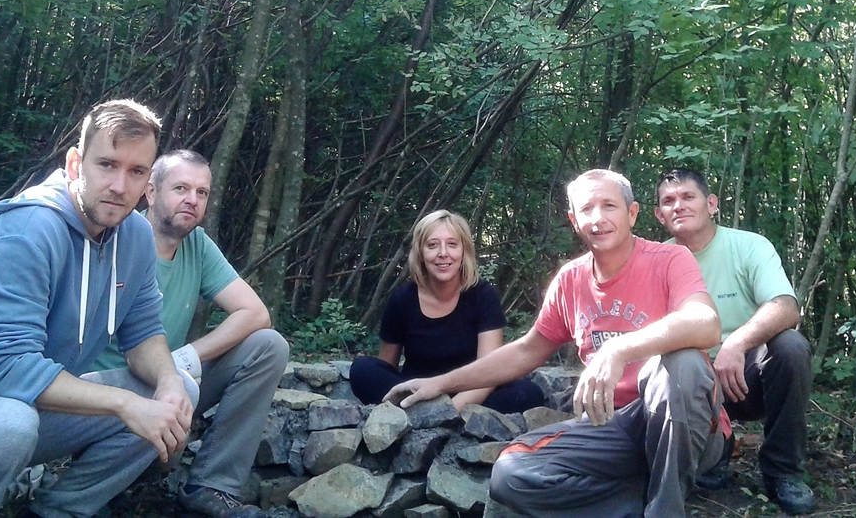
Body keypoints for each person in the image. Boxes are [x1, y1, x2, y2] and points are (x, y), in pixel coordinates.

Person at [0, 100, 194, 518]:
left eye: (136, 171)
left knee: (176, 393)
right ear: (76, 164)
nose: (120, 185)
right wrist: (124, 404)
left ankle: (56, 511)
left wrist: (168, 382)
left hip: (24, 409)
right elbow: (10, 370)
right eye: (107, 165)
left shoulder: (134, 236)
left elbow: (144, 333)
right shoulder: (27, 232)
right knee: (8, 425)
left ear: (148, 181)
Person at [387, 169, 725, 518]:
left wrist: (619, 349)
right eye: (587, 209)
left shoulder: (669, 260)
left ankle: (665, 509)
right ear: (574, 221)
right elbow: (526, 350)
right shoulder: (570, 280)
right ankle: (636, 498)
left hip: (684, 426)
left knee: (682, 364)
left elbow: (705, 323)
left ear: (632, 213)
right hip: (612, 428)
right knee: (510, 475)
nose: (598, 218)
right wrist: (441, 383)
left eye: (609, 206)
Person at [89, 149, 288, 518]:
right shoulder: (117, 237)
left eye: (201, 192)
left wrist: (183, 359)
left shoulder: (197, 244)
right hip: (106, 391)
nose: (192, 200)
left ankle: (211, 486)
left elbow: (256, 313)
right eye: (180, 188)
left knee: (268, 346)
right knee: (161, 447)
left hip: (168, 380)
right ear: (151, 192)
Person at [654, 167, 816, 515]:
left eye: (688, 197)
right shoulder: (654, 261)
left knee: (791, 347)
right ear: (659, 215)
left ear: (711, 204)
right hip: (690, 384)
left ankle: (783, 471)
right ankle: (713, 453)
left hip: (745, 376)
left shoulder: (748, 246)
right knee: (676, 367)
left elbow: (786, 306)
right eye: (669, 201)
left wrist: (736, 343)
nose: (678, 206)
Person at [349, 209, 545, 414]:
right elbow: (386, 367)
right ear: (420, 253)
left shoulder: (483, 296)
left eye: (452, 244)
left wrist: (448, 412)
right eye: (432, 245)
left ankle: (424, 419)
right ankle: (416, 415)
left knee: (527, 393)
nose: (443, 253)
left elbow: (489, 372)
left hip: (470, 395)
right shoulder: (402, 298)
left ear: (464, 251)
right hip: (414, 394)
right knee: (363, 369)